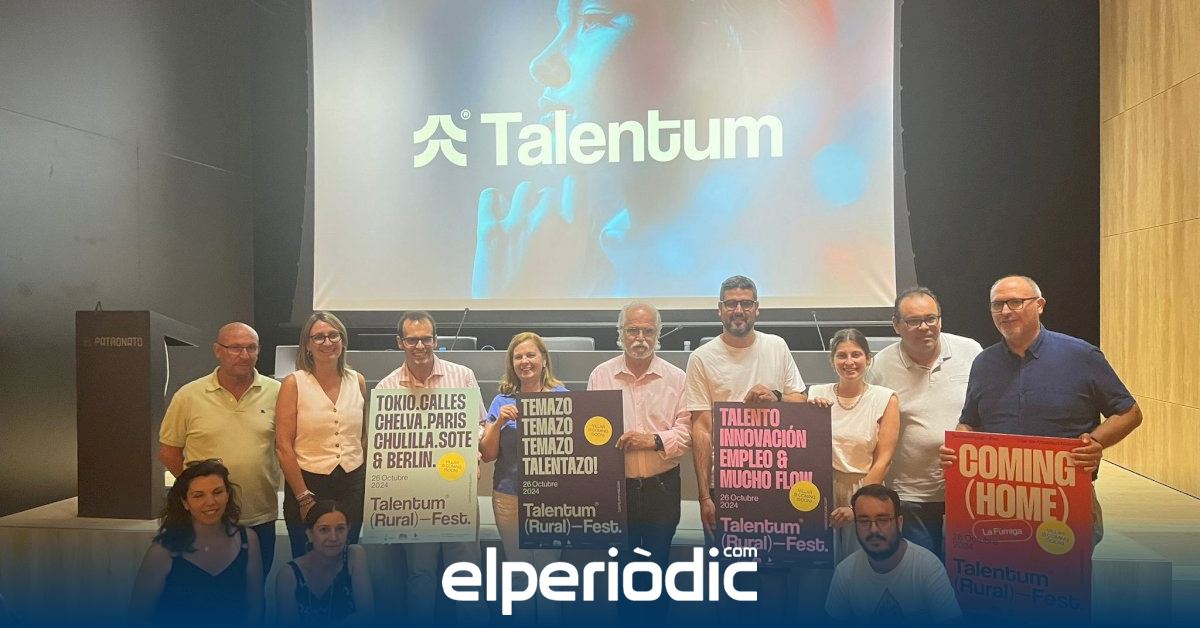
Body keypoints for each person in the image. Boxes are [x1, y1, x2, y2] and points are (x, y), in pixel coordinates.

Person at [943, 275, 1143, 546]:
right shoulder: (983, 363)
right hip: (997, 501)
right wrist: (958, 447)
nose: (1005, 311)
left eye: (1015, 302)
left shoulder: (1081, 356)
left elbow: (1130, 412)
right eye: (997, 305)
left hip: (1065, 498)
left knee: (1062, 571)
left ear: (1039, 305)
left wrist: (1095, 442)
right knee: (998, 571)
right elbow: (969, 421)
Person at [375, 311, 488, 624]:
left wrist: (471, 456)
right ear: (400, 342)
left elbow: (480, 426)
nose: (420, 346)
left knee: (466, 571)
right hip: (415, 496)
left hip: (458, 491)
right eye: (412, 340)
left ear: (436, 340)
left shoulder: (462, 376)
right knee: (420, 573)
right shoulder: (386, 388)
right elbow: (384, 445)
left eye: (426, 339)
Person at [587, 302, 690, 622]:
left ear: (659, 334)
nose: (640, 338)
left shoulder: (677, 377)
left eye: (648, 331)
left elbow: (686, 432)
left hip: (662, 487)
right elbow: (590, 432)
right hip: (618, 489)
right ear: (620, 333)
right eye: (633, 330)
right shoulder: (601, 375)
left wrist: (653, 440)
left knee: (657, 566)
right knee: (622, 568)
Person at [686, 275, 807, 537]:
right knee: (727, 560)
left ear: (757, 308)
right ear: (720, 309)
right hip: (725, 481)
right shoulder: (701, 358)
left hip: (776, 475)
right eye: (731, 304)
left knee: (777, 558)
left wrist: (776, 396)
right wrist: (704, 496)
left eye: (746, 303)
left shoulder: (777, 346)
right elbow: (702, 429)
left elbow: (800, 401)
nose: (738, 310)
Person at [865, 287, 981, 560]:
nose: (925, 327)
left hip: (968, 488)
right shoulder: (880, 365)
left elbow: (988, 406)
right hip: (910, 493)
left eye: (931, 318)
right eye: (914, 321)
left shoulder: (971, 351)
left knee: (968, 568)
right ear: (896, 325)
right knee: (922, 569)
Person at [158, 322, 281, 578]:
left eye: (251, 348)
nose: (244, 355)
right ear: (217, 350)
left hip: (259, 516)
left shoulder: (278, 392)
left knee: (255, 590)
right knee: (203, 592)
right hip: (205, 519)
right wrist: (200, 490)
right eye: (235, 348)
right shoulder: (188, 396)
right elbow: (168, 452)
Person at [480, 332, 568, 625]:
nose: (525, 361)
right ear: (512, 363)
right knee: (519, 574)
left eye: (531, 355)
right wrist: (499, 423)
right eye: (518, 357)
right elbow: (488, 454)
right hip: (508, 497)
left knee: (548, 574)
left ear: (544, 360)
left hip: (551, 498)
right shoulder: (501, 401)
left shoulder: (562, 397)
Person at [276, 312, 368, 559]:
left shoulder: (358, 381)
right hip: (308, 485)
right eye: (318, 337)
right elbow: (283, 446)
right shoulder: (294, 383)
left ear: (343, 340)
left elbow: (361, 437)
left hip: (351, 485)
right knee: (307, 561)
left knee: (346, 558)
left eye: (333, 335)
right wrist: (303, 497)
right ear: (307, 345)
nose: (327, 342)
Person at [129, 460, 264, 626]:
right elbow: (138, 617)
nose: (211, 502)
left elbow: (255, 609)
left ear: (228, 495)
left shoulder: (248, 541)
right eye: (199, 495)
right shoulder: (163, 551)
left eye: (217, 492)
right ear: (185, 502)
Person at [807, 329, 900, 562]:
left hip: (865, 486)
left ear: (868, 359)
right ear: (832, 361)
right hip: (821, 489)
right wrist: (810, 414)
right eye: (841, 355)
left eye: (856, 354)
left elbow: (884, 459)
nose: (849, 362)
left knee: (860, 564)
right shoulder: (816, 394)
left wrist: (857, 505)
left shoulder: (885, 398)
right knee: (819, 564)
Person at [824, 484, 961, 624]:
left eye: (883, 520)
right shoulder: (845, 572)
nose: (873, 530)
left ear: (899, 523)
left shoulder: (928, 567)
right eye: (864, 521)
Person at [276, 501, 374, 627]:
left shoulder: (354, 555)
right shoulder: (289, 574)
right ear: (309, 534)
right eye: (324, 530)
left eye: (340, 529)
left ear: (348, 530)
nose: (333, 538)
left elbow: (367, 616)